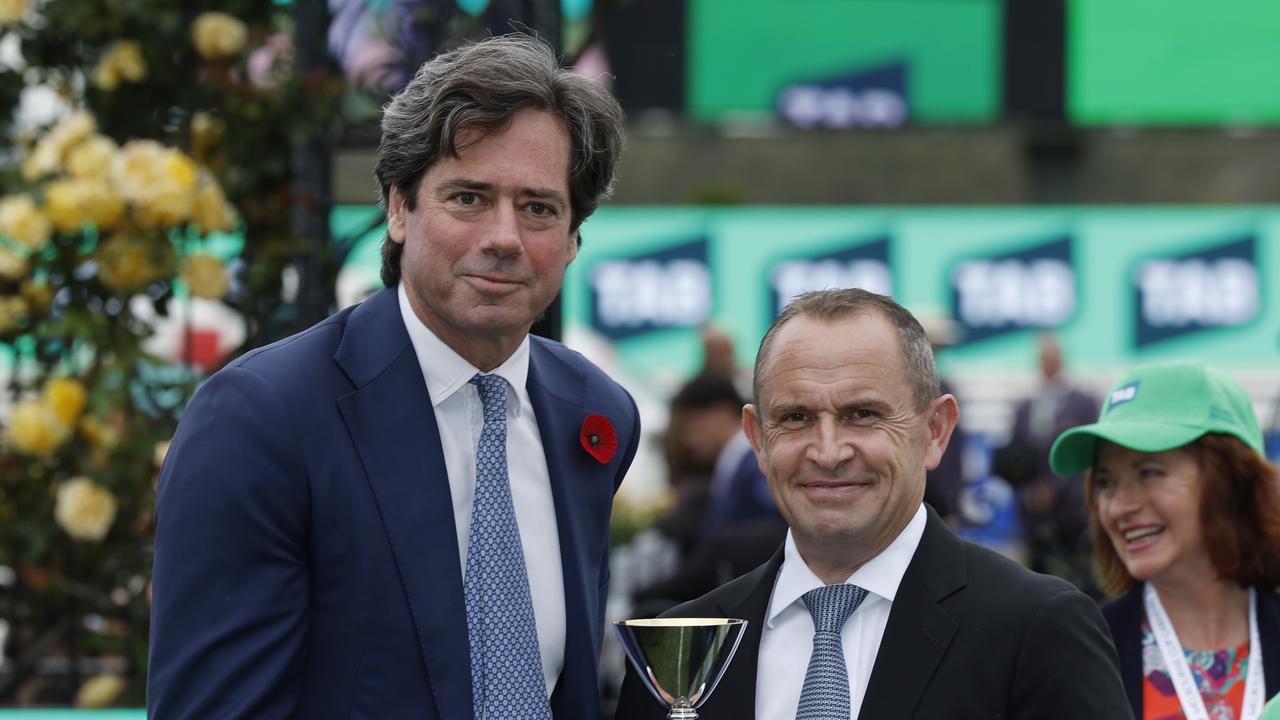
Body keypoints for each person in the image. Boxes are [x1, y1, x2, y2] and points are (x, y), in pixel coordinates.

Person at [148, 35, 640, 718]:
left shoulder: (596, 413)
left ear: (574, 237)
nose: (504, 237)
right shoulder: (261, 418)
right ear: (399, 208)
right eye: (468, 198)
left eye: (538, 208)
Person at [616, 288, 1131, 720]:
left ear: (935, 431)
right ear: (758, 439)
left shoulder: (1036, 628)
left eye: (862, 414)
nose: (828, 452)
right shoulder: (677, 651)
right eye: (795, 417)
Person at [1049, 361, 1280, 719]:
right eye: (1106, 482)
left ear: (1232, 481)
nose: (1120, 506)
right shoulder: (1079, 651)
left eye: (1149, 472)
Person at [1000, 333, 1100, 590]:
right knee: (1036, 577)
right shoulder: (1024, 407)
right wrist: (1029, 491)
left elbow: (1088, 452)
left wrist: (1055, 488)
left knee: (1076, 577)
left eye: (1051, 358)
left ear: (1061, 360)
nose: (1047, 363)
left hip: (1071, 510)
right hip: (1032, 511)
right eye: (1043, 358)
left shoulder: (1083, 403)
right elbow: (1015, 455)